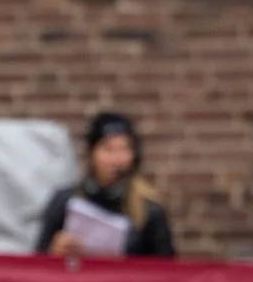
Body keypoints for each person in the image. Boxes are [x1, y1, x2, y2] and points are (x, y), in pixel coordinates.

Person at [37, 111, 176, 259]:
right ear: (92, 154)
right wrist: (53, 252)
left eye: (124, 149)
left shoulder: (149, 211)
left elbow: (166, 269)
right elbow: (36, 264)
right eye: (108, 149)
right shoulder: (65, 201)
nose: (117, 159)